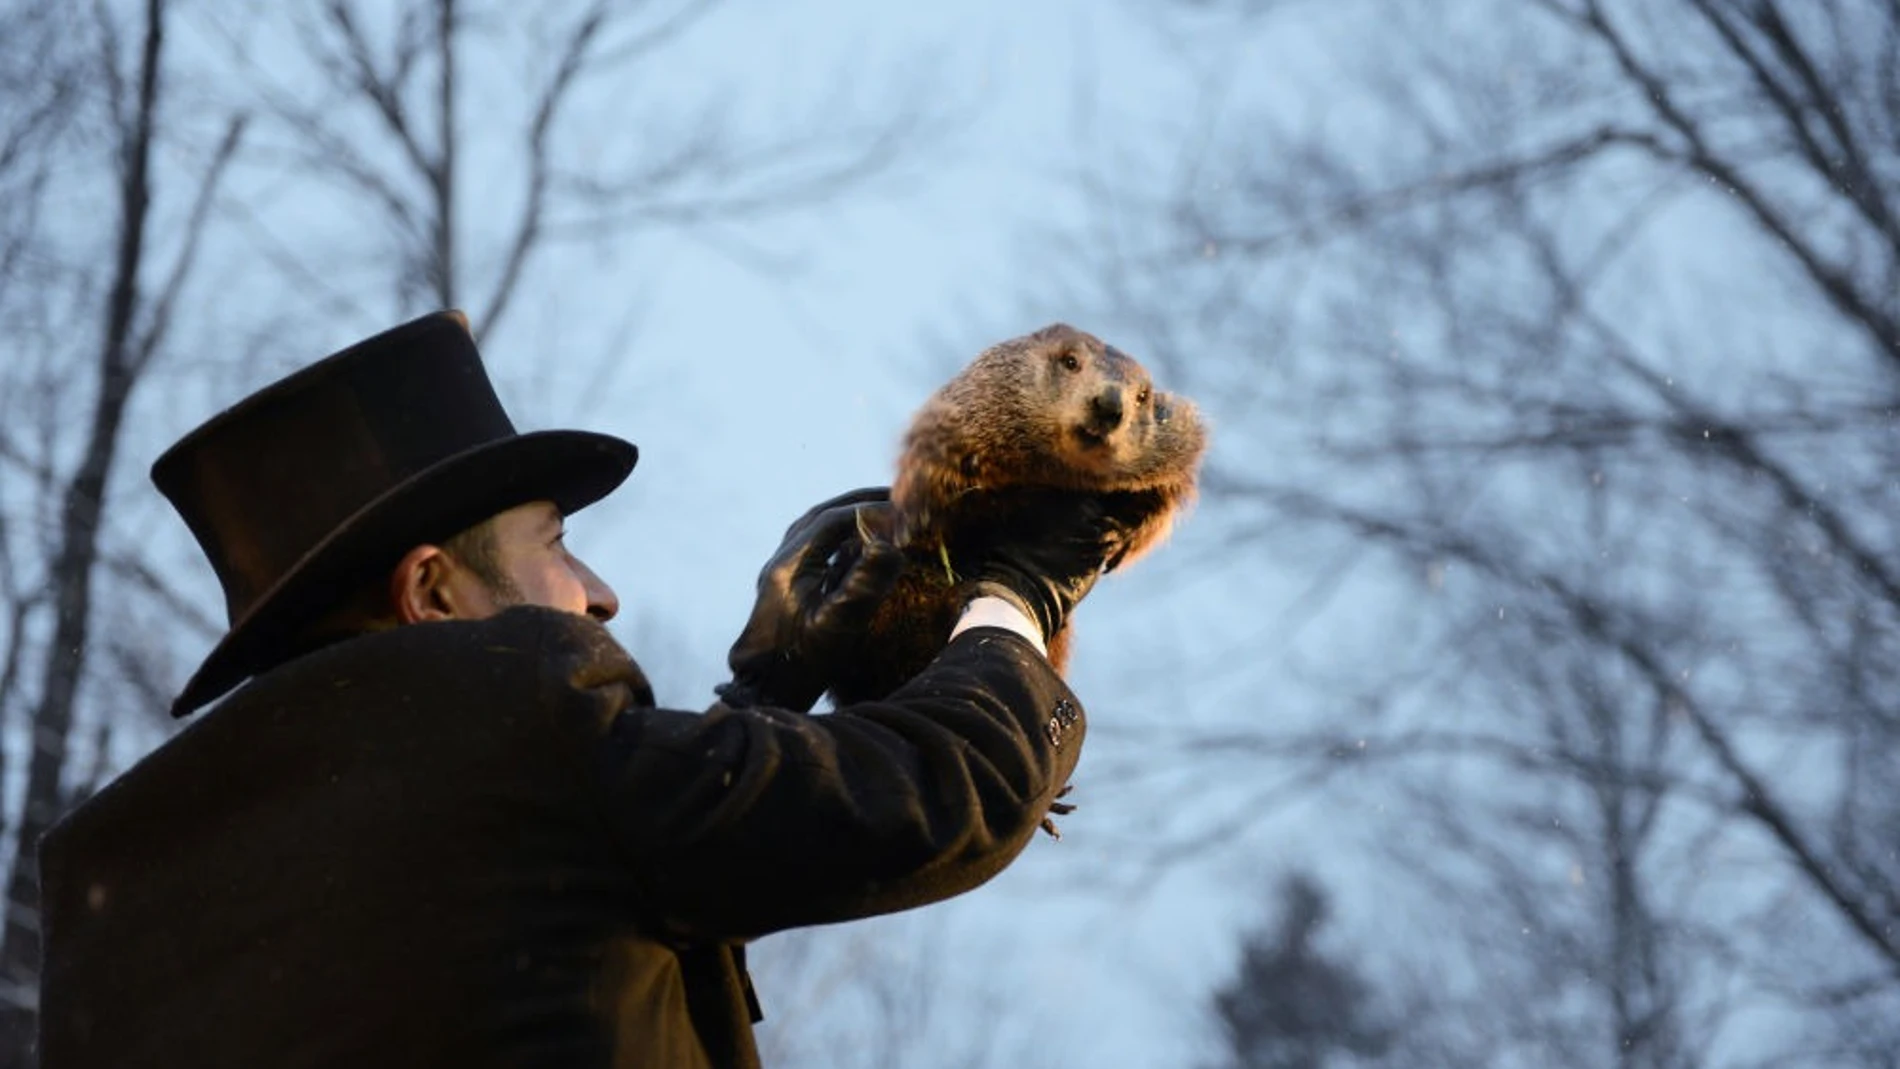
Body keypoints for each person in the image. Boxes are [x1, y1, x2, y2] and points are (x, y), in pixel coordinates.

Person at [35, 311, 1127, 1069]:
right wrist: (1013, 599)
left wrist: (766, 701)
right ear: (434, 588)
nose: (600, 595)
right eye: (557, 544)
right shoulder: (515, 709)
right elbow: (930, 794)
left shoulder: (115, 901)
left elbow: (547, 885)